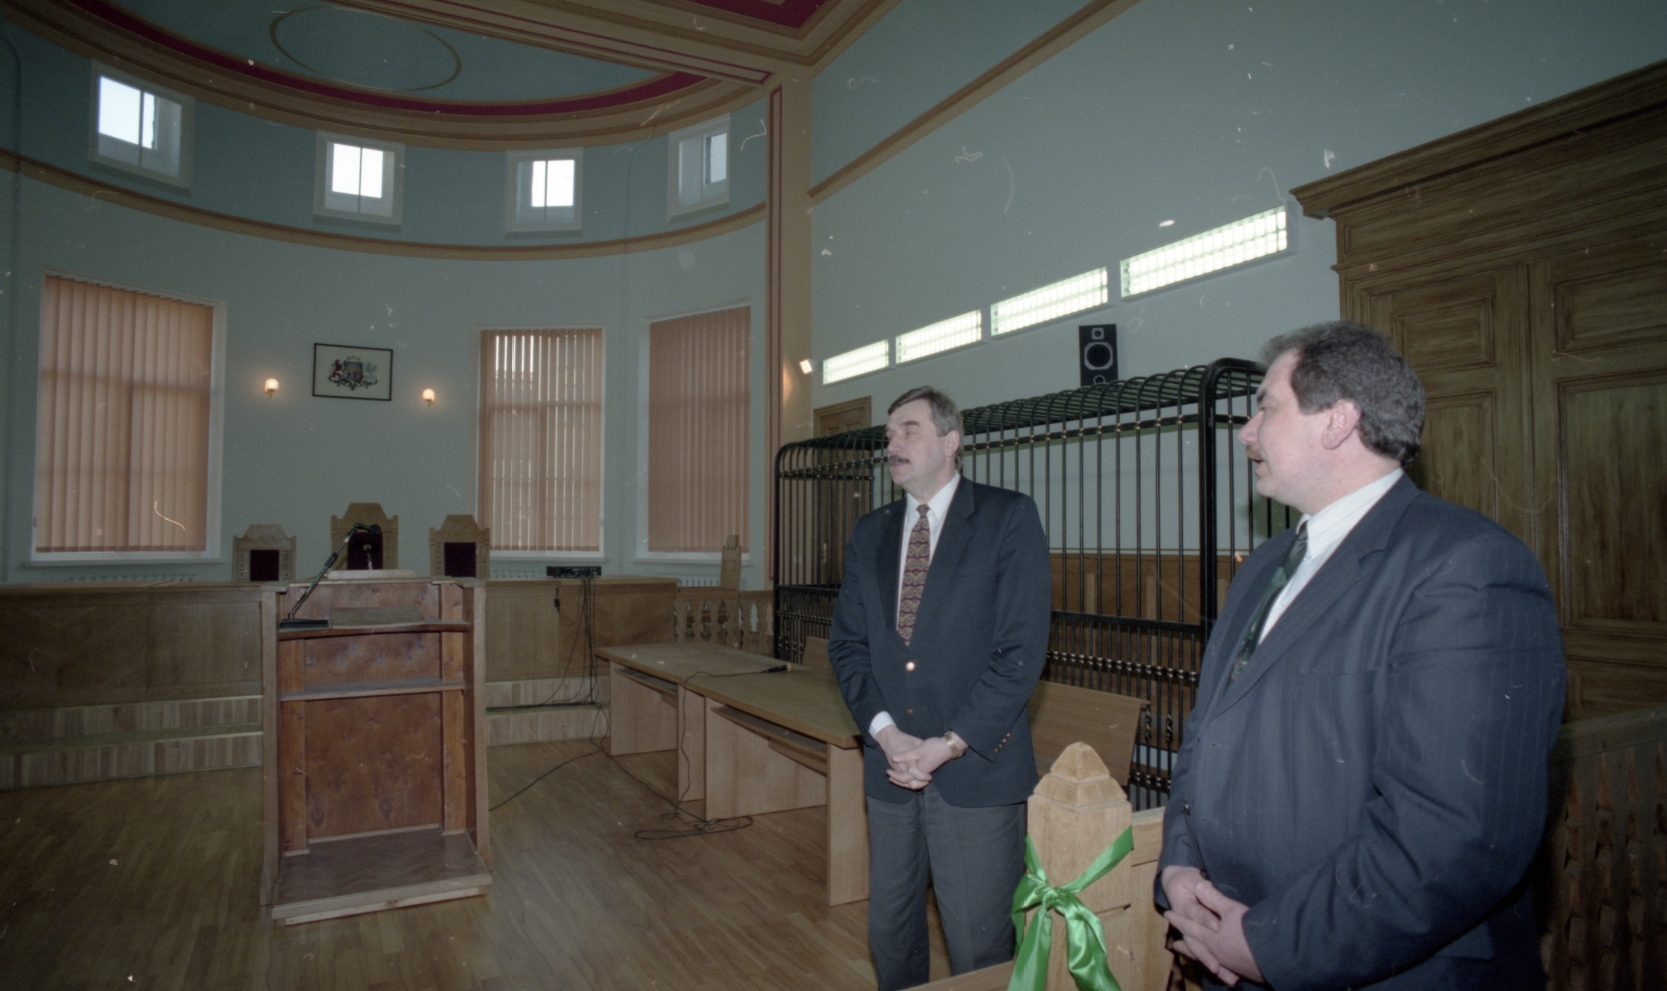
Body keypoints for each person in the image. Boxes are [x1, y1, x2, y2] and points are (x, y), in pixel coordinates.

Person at [1157, 321, 1565, 990]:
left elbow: (1455, 833)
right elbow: (1206, 730)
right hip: (1231, 947)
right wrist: (1179, 866)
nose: (1246, 431)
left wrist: (1269, 943)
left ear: (1337, 421)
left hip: (1373, 967)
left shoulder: (1465, 564)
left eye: (1266, 407)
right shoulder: (1264, 566)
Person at [827, 386, 1052, 991]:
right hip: (892, 768)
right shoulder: (871, 532)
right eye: (888, 435)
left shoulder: (1007, 517)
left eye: (910, 430)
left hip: (975, 771)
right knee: (891, 934)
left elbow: (1019, 655)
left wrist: (950, 743)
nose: (892, 444)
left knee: (979, 946)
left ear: (952, 441)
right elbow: (847, 646)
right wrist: (885, 733)